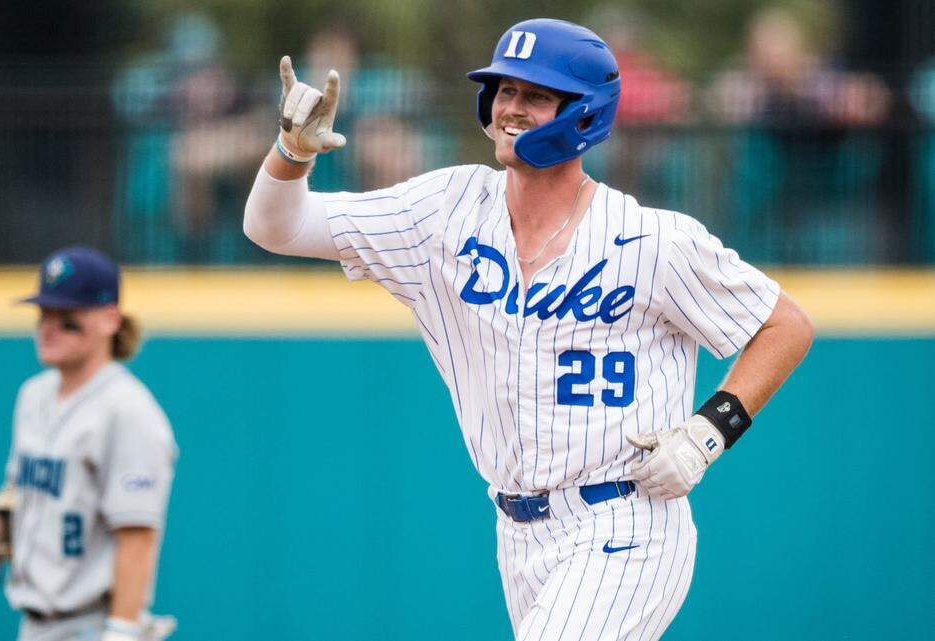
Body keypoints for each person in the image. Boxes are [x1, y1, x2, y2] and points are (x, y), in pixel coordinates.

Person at [243, 18, 813, 641]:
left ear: (586, 114)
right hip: (517, 534)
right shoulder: (443, 212)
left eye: (535, 95)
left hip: (624, 522)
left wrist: (708, 434)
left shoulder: (654, 241)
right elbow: (276, 227)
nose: (511, 108)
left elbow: (785, 324)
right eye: (504, 90)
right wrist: (291, 152)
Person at [0, 246, 178, 641]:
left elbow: (138, 536)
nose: (49, 326)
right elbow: (17, 497)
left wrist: (121, 634)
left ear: (109, 320)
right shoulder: (34, 395)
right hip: (35, 625)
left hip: (93, 625)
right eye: (44, 313)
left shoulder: (129, 412)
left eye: (67, 318)